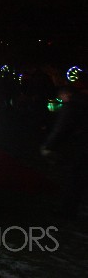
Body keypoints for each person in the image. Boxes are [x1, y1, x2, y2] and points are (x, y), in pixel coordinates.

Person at [40, 83, 88, 218]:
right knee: (79, 178)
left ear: (66, 94)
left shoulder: (70, 107)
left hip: (76, 146)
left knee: (72, 179)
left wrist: (49, 145)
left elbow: (60, 128)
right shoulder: (83, 103)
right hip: (83, 145)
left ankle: (67, 210)